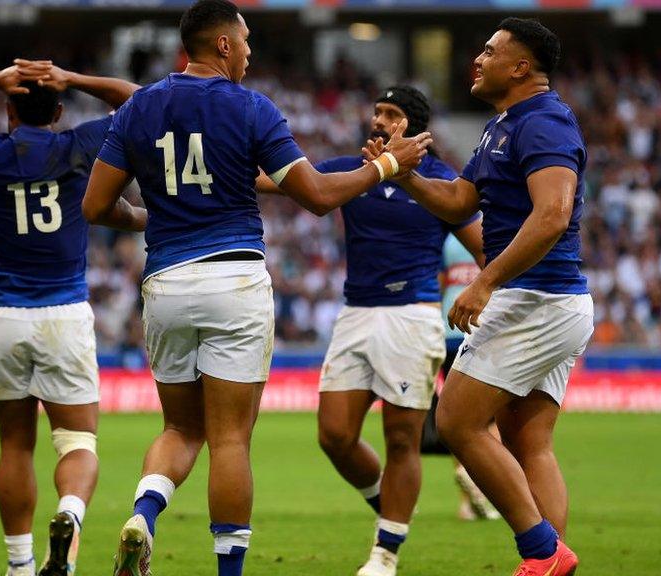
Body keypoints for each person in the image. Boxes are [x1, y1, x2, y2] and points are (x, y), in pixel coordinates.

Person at [81, 2, 432, 575]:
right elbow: (316, 196)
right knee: (230, 440)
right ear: (222, 45)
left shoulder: (140, 107)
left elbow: (95, 205)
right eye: (245, 42)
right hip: (234, 278)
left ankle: (144, 515)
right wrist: (387, 166)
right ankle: (229, 571)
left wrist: (150, 221)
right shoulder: (251, 108)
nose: (250, 52)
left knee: (178, 427)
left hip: (166, 281)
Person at [365, 17, 591, 576]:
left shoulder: (542, 123)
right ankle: (549, 564)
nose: (478, 59)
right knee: (527, 440)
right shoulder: (503, 126)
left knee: (461, 421)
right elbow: (463, 200)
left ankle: (542, 551)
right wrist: (407, 174)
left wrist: (486, 281)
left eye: (490, 52)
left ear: (520, 67)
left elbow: (553, 214)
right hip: (553, 300)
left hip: (534, 297)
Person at [0, 60, 138, 576]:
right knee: (77, 444)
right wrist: (74, 78)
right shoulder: (80, 146)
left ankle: (19, 566)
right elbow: (142, 101)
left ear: (9, 110)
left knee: (14, 444)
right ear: (58, 110)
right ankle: (70, 515)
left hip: (5, 313)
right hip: (64, 313)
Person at [260, 85, 481, 576]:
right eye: (378, 112)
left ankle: (385, 554)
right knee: (334, 435)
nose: (379, 121)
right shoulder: (349, 171)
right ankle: (393, 506)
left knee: (402, 441)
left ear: (416, 131)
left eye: (393, 114)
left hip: (412, 317)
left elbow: (485, 247)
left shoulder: (443, 181)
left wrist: (486, 288)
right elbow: (275, 180)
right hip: (356, 314)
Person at [419, 233, 501, 523]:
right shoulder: (491, 230)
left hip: (448, 327)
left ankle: (466, 502)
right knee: (491, 418)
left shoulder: (448, 237)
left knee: (461, 418)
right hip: (483, 325)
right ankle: (479, 483)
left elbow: (439, 283)